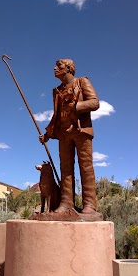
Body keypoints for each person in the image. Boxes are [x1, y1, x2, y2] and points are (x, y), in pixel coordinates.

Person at [39, 59, 100, 214]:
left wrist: (77, 106)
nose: (54, 68)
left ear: (69, 69)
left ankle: (89, 206)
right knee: (65, 169)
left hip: (82, 131)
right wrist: (48, 134)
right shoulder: (57, 90)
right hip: (64, 134)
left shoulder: (82, 82)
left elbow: (94, 102)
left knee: (85, 167)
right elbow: (57, 116)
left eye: (58, 67)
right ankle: (66, 204)